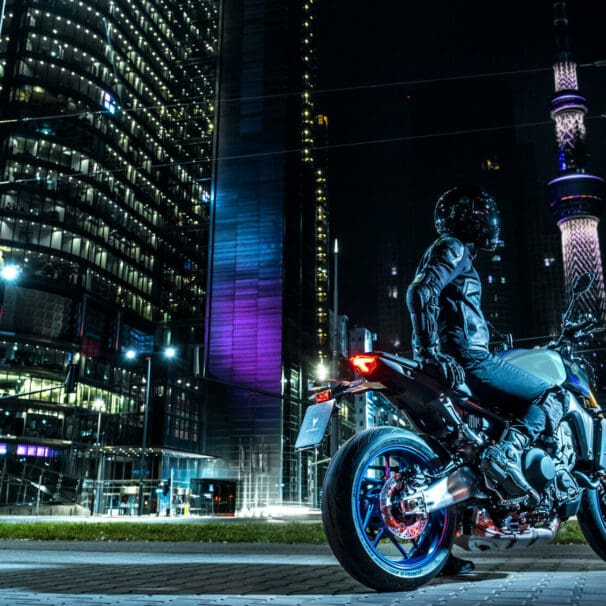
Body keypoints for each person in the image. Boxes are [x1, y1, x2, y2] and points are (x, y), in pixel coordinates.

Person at [406, 184, 567, 574]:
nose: (489, 221)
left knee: (450, 457)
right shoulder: (454, 247)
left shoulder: (454, 254)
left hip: (451, 361)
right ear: (469, 219)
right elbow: (420, 291)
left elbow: (451, 306)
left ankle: (438, 556)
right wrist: (432, 352)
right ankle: (510, 451)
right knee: (552, 397)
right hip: (466, 362)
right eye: (483, 214)